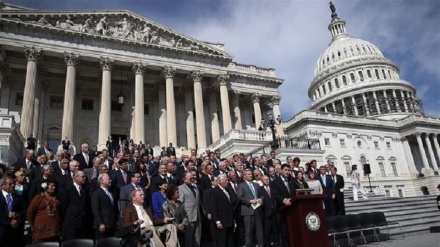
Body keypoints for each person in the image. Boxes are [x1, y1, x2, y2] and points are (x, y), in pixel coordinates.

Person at [61, 170, 92, 240]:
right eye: (83, 176)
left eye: (85, 176)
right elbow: (64, 206)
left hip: (83, 223)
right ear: (76, 178)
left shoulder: (85, 190)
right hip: (72, 223)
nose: (85, 178)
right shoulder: (68, 190)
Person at [237, 169, 264, 247]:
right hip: (248, 211)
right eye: (248, 174)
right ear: (244, 176)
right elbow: (239, 197)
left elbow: (261, 195)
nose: (251, 175)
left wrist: (261, 199)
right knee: (248, 231)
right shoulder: (241, 185)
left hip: (257, 210)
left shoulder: (256, 185)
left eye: (251, 174)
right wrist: (249, 201)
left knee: (259, 230)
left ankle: (260, 245)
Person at [271, 164, 295, 247]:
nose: (287, 172)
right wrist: (284, 200)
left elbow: (295, 192)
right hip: (282, 211)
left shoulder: (291, 180)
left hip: (292, 211)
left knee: (293, 233)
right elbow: (275, 194)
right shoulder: (275, 182)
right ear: (281, 171)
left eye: (288, 170)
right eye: (285, 170)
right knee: (284, 234)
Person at [209, 174, 236, 247]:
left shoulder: (227, 190)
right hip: (221, 220)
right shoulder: (215, 191)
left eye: (227, 180)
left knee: (230, 240)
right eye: (225, 180)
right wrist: (217, 221)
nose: (227, 182)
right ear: (220, 181)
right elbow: (213, 207)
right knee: (222, 241)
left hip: (229, 219)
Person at [0, 176, 26, 246]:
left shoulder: (18, 197)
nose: (13, 185)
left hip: (15, 232)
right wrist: (9, 221)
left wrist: (17, 215)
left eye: (13, 184)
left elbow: (24, 210)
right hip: (2, 230)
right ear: (2, 185)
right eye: (10, 184)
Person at [91, 173, 117, 240]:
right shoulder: (96, 193)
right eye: (108, 179)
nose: (110, 180)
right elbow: (95, 210)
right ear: (101, 181)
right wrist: (100, 223)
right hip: (103, 224)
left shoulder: (110, 192)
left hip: (111, 223)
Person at [178, 171, 201, 247]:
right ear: (184, 179)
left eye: (193, 177)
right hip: (188, 217)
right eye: (190, 178)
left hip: (197, 216)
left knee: (197, 238)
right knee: (189, 239)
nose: (192, 179)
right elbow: (180, 204)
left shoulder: (195, 188)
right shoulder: (180, 188)